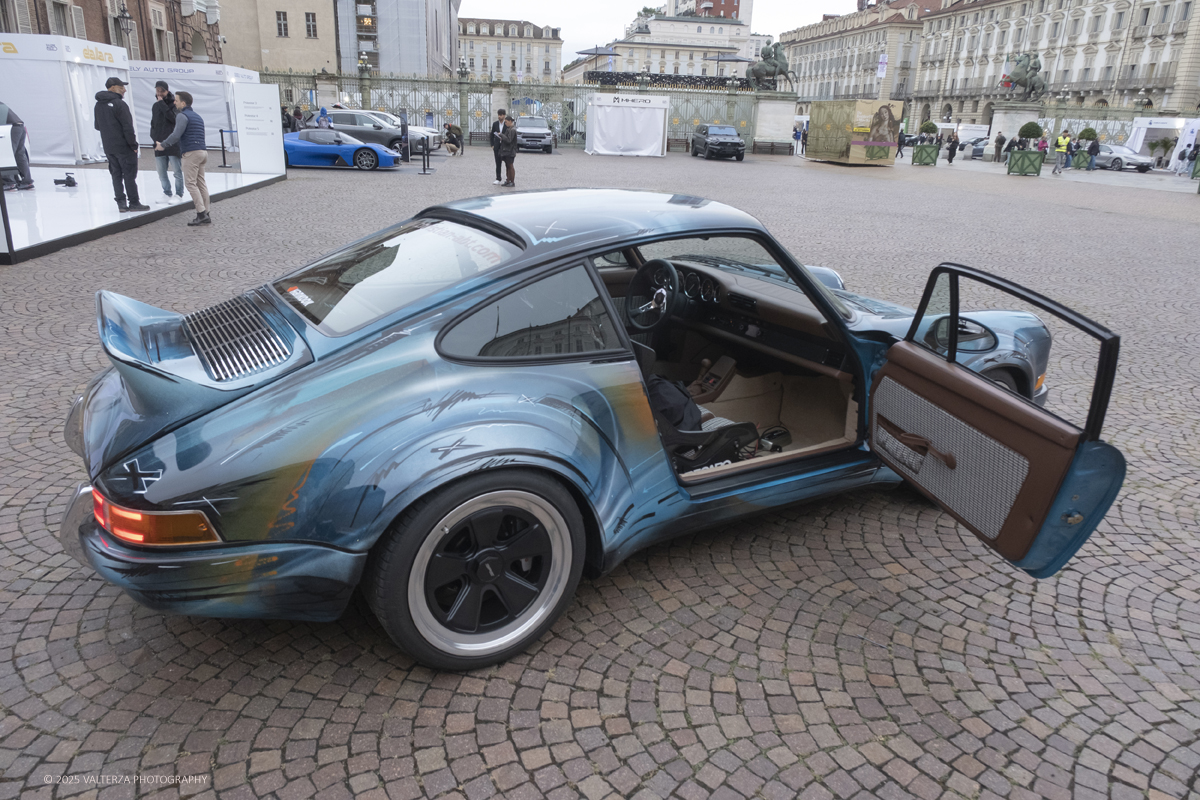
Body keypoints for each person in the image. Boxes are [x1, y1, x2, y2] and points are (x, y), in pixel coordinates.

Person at [156, 91, 210, 227]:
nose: (174, 102)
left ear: (183, 103)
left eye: (177, 100)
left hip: (191, 153)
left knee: (190, 184)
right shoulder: (197, 116)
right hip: (202, 152)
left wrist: (162, 145)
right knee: (201, 183)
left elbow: (176, 135)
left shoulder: (182, 116)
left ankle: (201, 214)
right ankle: (206, 212)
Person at [94, 77, 149, 212]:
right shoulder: (119, 104)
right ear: (112, 87)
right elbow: (127, 127)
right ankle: (134, 203)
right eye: (121, 87)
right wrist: (133, 145)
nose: (124, 90)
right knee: (129, 175)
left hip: (109, 147)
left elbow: (97, 126)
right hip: (124, 146)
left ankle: (121, 204)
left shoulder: (98, 104)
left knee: (116, 175)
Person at [150, 81, 184, 205]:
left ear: (167, 91)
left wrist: (162, 104)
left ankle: (179, 194)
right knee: (161, 171)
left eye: (162, 91)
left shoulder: (174, 105)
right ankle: (166, 192)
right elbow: (153, 124)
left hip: (172, 143)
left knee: (177, 171)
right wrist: (154, 139)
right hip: (159, 143)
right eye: (157, 90)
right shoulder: (155, 106)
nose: (159, 93)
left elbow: (173, 119)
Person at [0, 102, 34, 191]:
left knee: (5, 154)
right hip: (19, 126)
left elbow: (1, 124)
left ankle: (9, 183)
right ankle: (27, 182)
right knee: (19, 155)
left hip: (10, 129)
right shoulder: (2, 104)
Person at [499, 116, 518, 187]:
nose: (505, 123)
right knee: (507, 166)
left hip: (510, 151)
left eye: (506, 122)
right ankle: (508, 180)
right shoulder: (509, 129)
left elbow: (509, 140)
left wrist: (501, 135)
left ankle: (512, 181)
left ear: (510, 121)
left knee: (510, 166)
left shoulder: (512, 130)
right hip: (507, 150)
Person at [490, 108, 507, 185]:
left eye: (500, 115)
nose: (499, 116)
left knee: (507, 163)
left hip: (505, 146)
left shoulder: (507, 124)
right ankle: (498, 178)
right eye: (498, 115)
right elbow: (491, 134)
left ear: (504, 115)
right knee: (498, 163)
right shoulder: (495, 124)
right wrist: (492, 145)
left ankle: (508, 178)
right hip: (497, 146)